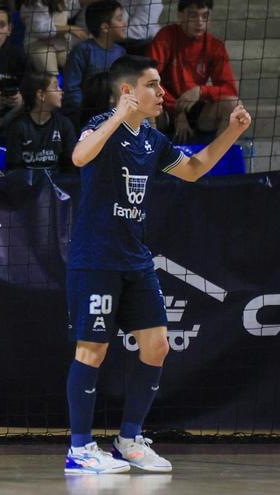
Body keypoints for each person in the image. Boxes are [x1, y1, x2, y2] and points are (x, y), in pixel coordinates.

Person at [64, 55, 251, 474]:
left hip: (136, 259)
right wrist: (117, 115)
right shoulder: (100, 125)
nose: (162, 92)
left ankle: (129, 440)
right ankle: (79, 449)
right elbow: (79, 157)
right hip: (97, 260)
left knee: (157, 346)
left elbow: (194, 170)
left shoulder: (151, 139)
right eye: (153, 85)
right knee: (92, 351)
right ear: (128, 91)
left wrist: (232, 132)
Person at [147, 0, 238, 143]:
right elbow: (148, 81)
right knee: (144, 104)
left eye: (205, 16)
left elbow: (230, 90)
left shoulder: (215, 46)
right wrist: (177, 112)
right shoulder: (166, 37)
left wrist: (201, 91)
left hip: (194, 107)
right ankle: (148, 159)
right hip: (163, 106)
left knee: (233, 105)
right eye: (193, 15)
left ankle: (218, 161)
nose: (200, 22)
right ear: (180, 16)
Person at [62, 0, 126, 122]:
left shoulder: (121, 53)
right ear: (105, 27)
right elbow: (71, 90)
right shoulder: (82, 51)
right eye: (119, 19)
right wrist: (88, 110)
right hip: (84, 116)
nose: (124, 23)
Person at [5, 72, 77, 171]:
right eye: (56, 87)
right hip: (26, 184)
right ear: (41, 95)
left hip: (57, 184)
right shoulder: (18, 126)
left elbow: (71, 165)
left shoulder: (64, 124)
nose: (61, 91)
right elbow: (14, 168)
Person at [17, 0, 89, 74]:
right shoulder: (35, 3)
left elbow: (70, 11)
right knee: (51, 75)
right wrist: (70, 28)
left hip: (60, 44)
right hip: (38, 44)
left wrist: (84, 2)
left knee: (80, 68)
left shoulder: (65, 2)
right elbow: (40, 30)